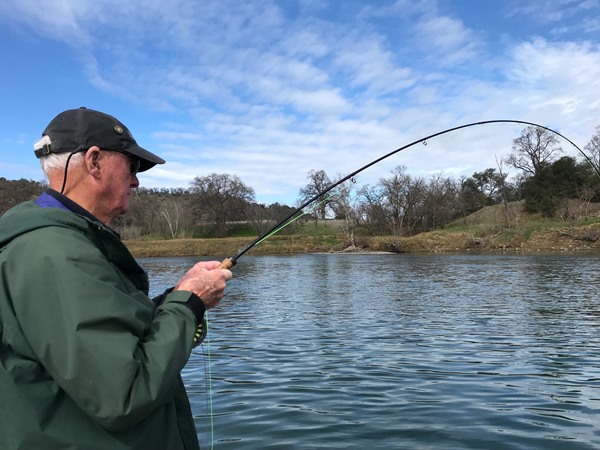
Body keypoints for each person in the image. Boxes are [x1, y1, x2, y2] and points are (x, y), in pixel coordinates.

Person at [0, 107, 232, 450]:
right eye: (132, 166)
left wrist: (180, 298)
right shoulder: (56, 253)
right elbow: (125, 392)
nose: (137, 180)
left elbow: (108, 337)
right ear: (94, 162)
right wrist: (189, 303)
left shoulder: (54, 245)